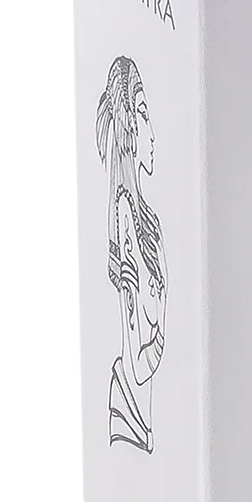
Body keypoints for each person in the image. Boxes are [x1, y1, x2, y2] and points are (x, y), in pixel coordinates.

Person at [95, 56, 166, 452]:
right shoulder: (125, 215)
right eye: (143, 113)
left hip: (143, 419)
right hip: (132, 415)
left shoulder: (147, 220)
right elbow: (140, 364)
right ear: (128, 128)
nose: (152, 132)